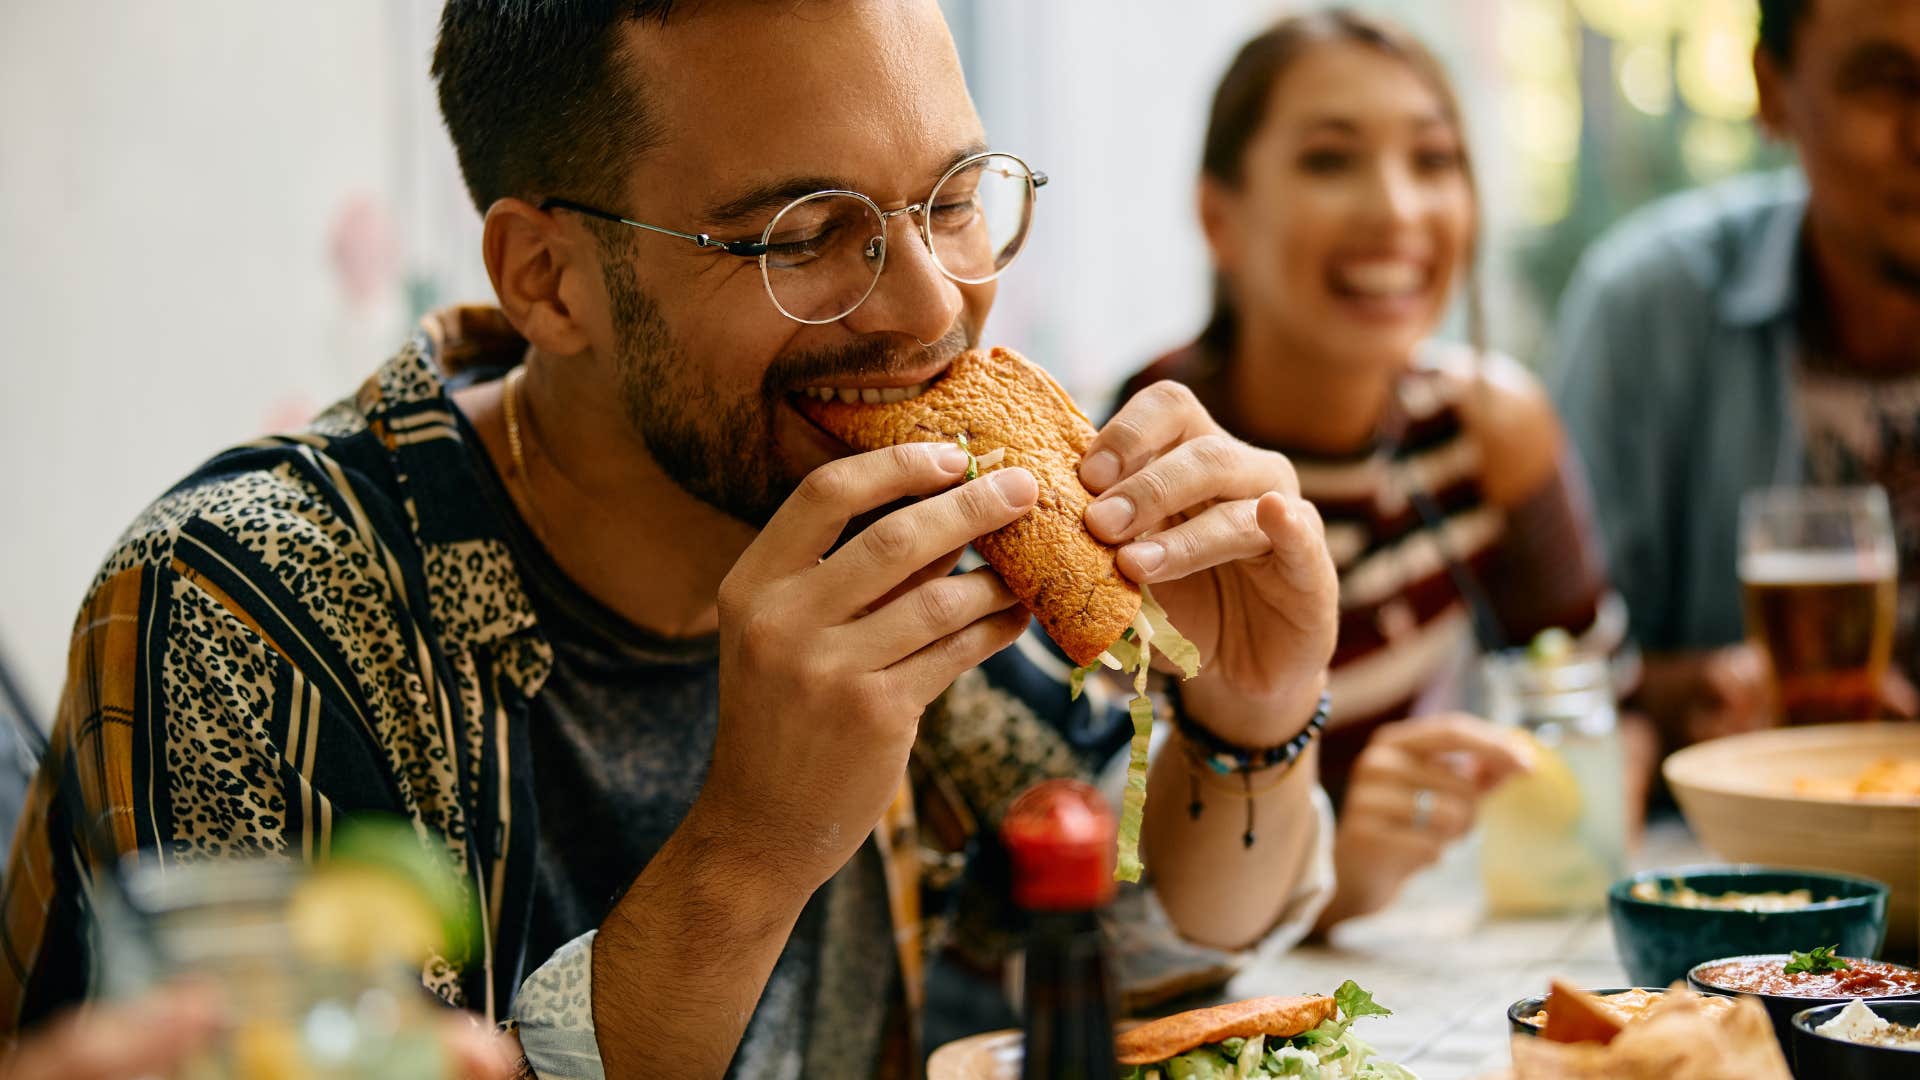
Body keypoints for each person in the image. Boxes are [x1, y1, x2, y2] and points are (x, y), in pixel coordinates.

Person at [0, 3, 1343, 1077]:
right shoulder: (247, 604)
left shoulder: (903, 517)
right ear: (546, 280)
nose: (937, 303)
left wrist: (1255, 716)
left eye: (949, 200)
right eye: (806, 235)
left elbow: (1140, 939)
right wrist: (752, 850)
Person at [1118, 9, 1639, 930]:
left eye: (1433, 161)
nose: (1398, 210)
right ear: (1219, 217)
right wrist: (1332, 880)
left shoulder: (1489, 433)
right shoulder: (1143, 470)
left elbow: (1604, 711)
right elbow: (1120, 864)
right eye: (1330, 160)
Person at [1551, 0, 1920, 747]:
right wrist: (1693, 697)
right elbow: (1546, 664)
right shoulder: (1647, 310)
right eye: (1885, 81)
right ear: (1773, 91)